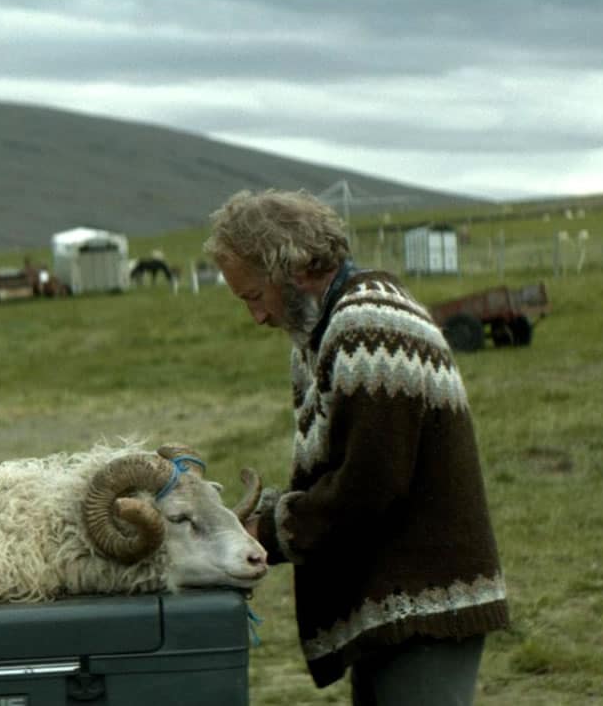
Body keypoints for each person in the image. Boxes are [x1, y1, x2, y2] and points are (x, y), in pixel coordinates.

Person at [203, 189, 509, 705]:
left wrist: (264, 531)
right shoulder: (326, 335)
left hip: (424, 610)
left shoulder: (367, 326)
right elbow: (343, 473)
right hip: (398, 608)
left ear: (292, 268)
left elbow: (367, 488)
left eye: (254, 296)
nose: (257, 317)